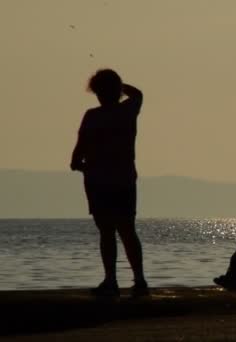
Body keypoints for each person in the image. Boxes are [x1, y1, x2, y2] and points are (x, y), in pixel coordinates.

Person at [70, 69, 148, 297]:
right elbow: (138, 93)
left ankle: (112, 279)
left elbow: (79, 150)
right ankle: (138, 279)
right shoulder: (127, 110)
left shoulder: (94, 116)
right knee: (126, 230)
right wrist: (119, 85)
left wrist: (78, 162)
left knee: (108, 231)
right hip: (120, 179)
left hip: (100, 181)